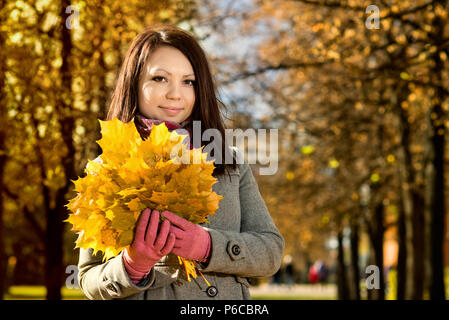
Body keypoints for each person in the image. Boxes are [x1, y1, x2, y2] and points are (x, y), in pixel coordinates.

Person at [77, 24, 284, 300]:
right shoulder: (105, 167)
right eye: (160, 78)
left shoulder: (229, 162)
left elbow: (270, 252)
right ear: (134, 83)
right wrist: (131, 266)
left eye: (189, 82)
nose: (176, 94)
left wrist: (208, 246)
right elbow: (88, 279)